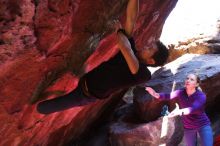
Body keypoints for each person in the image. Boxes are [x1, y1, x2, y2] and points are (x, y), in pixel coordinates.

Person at [37, 0, 169, 114]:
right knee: (51, 100)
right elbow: (131, 19)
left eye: (150, 49)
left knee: (43, 108)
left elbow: (126, 49)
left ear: (151, 60)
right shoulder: (133, 50)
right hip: (86, 80)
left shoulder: (143, 74)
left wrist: (119, 31)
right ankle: (54, 93)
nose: (147, 46)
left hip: (85, 95)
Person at [146, 73, 213, 146]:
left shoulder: (201, 96)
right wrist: (156, 94)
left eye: (192, 79)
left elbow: (193, 109)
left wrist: (179, 111)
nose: (188, 80)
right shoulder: (181, 92)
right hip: (189, 127)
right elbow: (169, 96)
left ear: (196, 84)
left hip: (202, 125)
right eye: (187, 78)